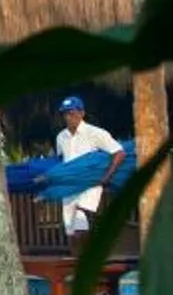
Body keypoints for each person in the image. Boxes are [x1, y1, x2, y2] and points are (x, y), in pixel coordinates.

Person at [52, 95, 125, 237]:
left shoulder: (95, 133)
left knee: (81, 217)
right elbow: (61, 160)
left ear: (81, 113)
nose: (68, 117)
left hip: (89, 183)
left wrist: (106, 177)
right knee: (70, 229)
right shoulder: (61, 137)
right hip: (69, 186)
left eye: (71, 113)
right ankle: (78, 257)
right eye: (65, 114)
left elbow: (119, 153)